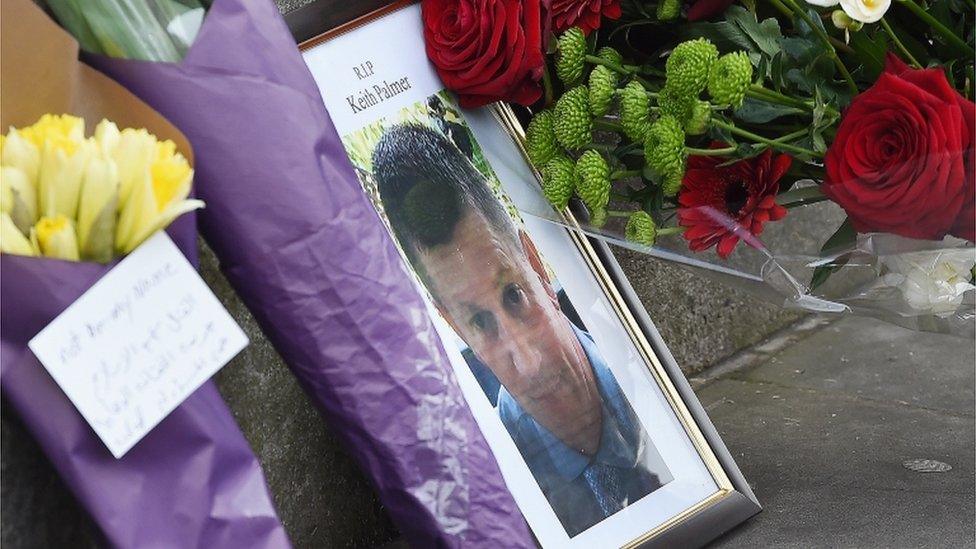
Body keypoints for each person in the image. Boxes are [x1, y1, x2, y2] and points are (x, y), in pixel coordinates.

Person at [372, 123, 669, 536]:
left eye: (514, 295)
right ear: (451, 324)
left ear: (537, 263)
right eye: (479, 322)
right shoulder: (493, 496)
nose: (528, 363)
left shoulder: (658, 388)